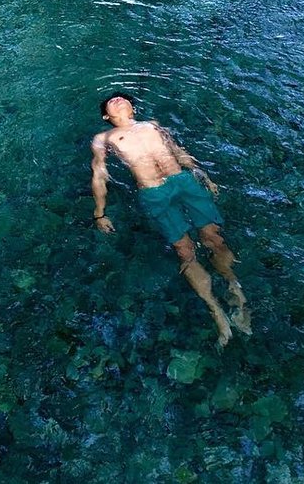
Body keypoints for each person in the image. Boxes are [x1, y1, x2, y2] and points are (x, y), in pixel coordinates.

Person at [90, 92, 251, 347]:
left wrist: (203, 176)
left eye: (123, 98)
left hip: (183, 182)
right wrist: (100, 213)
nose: (118, 99)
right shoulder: (103, 138)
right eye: (112, 101)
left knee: (213, 238)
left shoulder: (152, 124)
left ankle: (235, 291)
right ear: (106, 116)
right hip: (153, 192)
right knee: (184, 251)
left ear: (132, 107)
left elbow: (178, 151)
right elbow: (99, 175)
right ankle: (215, 310)